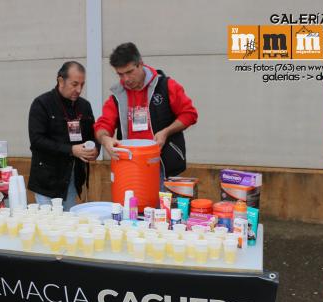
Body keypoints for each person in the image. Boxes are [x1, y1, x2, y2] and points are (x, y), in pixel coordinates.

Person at [94, 42, 198, 181]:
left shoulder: (166, 86)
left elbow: (189, 114)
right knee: (132, 203)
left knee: (162, 203)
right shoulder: (117, 96)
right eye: (120, 74)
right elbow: (103, 125)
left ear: (140, 64)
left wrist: (166, 132)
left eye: (129, 72)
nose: (126, 79)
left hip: (163, 164)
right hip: (130, 165)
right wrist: (105, 139)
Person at [28, 61, 99, 211]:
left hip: (72, 178)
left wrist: (94, 150)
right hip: (47, 179)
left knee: (69, 221)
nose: (79, 89)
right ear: (61, 80)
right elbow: (37, 141)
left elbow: (93, 135)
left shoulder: (84, 106)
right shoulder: (41, 104)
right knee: (49, 224)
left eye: (82, 84)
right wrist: (71, 149)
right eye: (74, 84)